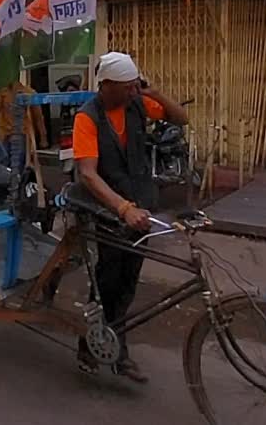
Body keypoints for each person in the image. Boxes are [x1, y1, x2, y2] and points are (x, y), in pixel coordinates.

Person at [72, 51, 189, 383]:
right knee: (107, 279)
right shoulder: (87, 117)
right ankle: (92, 344)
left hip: (140, 204)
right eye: (126, 87)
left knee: (128, 281)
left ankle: (115, 347)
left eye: (134, 86)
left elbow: (181, 119)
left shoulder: (137, 103)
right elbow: (88, 175)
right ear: (105, 85)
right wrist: (122, 208)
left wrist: (152, 92)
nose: (131, 92)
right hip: (108, 209)